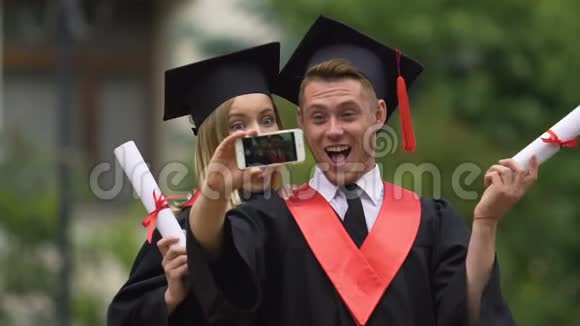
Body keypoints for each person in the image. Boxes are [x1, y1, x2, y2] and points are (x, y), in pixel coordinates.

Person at [185, 16, 538, 326]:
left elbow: (468, 312)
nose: (334, 130)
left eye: (348, 114)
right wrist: (215, 190)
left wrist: (487, 222)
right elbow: (219, 271)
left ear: (379, 115)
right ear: (301, 123)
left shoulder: (432, 220)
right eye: (319, 117)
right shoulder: (268, 220)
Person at [107, 42, 287, 326]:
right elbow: (124, 319)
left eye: (267, 120)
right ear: (214, 142)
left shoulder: (303, 217)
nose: (256, 135)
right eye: (238, 126)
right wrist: (170, 297)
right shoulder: (178, 231)